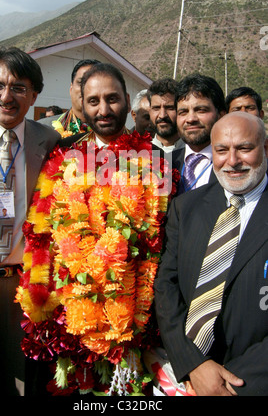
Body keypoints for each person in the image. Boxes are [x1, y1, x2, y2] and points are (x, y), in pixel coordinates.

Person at [16, 63, 175, 396]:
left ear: (128, 101)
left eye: (112, 98)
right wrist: (41, 300)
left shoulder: (156, 160)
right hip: (70, 313)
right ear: (81, 103)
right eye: (94, 101)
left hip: (133, 316)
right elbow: (41, 234)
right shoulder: (63, 155)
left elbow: (165, 240)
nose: (104, 110)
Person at [153, 112, 268, 396]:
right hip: (191, 377)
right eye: (221, 150)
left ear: (265, 149)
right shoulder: (186, 207)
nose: (232, 161)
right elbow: (166, 288)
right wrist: (192, 364)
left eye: (244, 148)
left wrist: (233, 384)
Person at [0, 47, 61, 396]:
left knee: (18, 382)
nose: (6, 97)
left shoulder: (48, 140)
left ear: (34, 94)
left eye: (18, 88)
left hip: (20, 288)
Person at [172, 73, 226, 193]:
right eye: (183, 112)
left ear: (221, 115)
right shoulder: (165, 163)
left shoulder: (233, 164)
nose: (191, 119)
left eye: (201, 110)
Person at [39, 58, 100, 136]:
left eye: (94, 84)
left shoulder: (116, 132)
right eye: (81, 82)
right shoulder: (42, 130)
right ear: (71, 88)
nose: (87, 89)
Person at [148, 78, 184, 153]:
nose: (162, 115)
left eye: (170, 108)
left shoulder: (193, 154)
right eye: (156, 108)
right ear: (149, 111)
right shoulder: (138, 153)